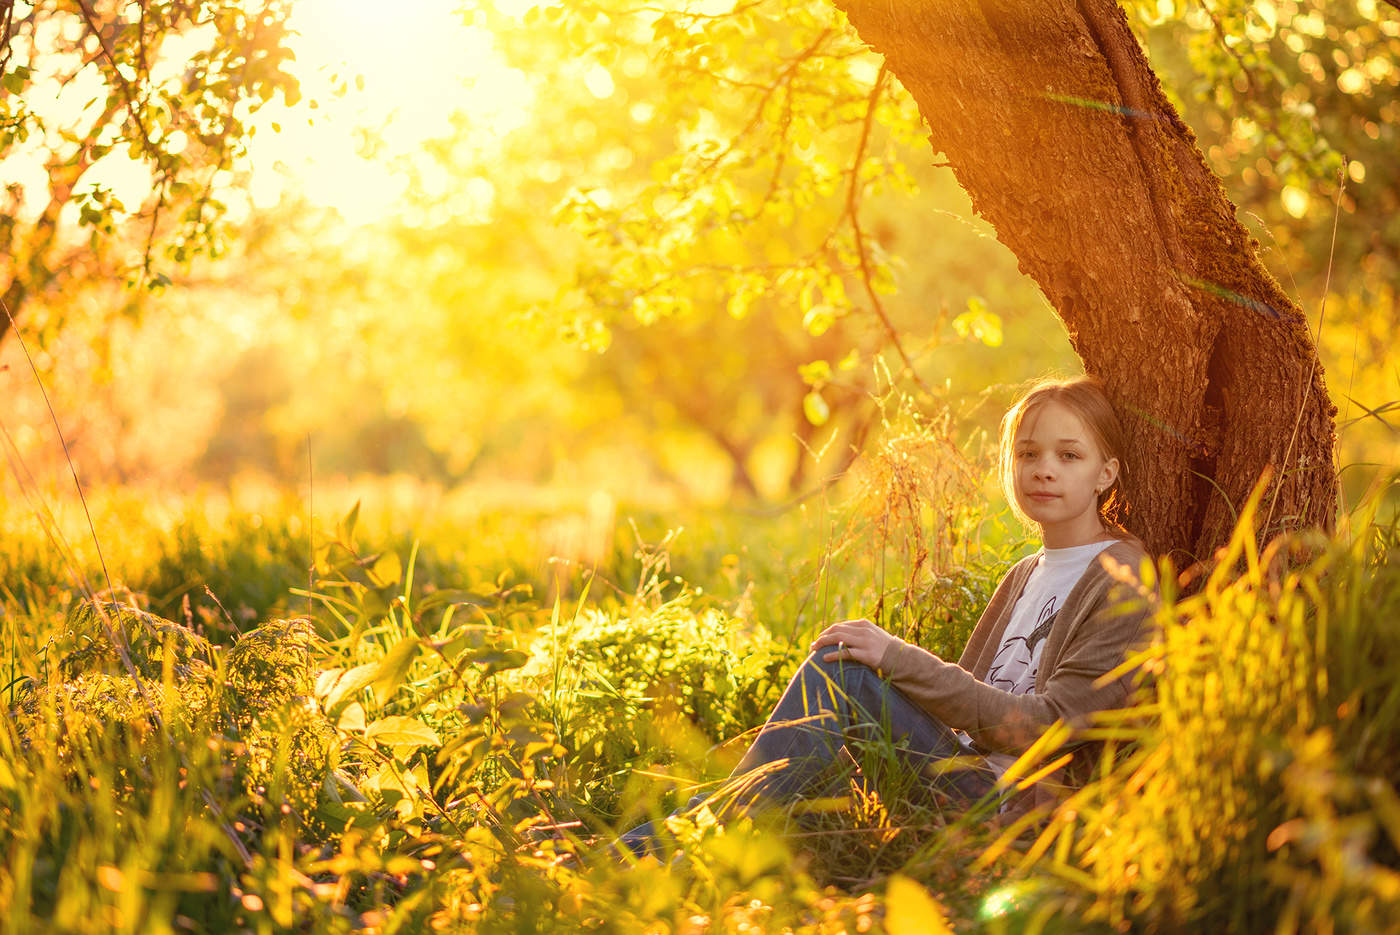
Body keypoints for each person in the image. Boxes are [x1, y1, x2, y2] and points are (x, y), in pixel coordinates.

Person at [614, 375, 1154, 858]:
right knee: (837, 672)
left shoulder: (1122, 575)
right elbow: (966, 707)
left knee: (842, 676)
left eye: (1069, 456)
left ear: (1106, 473)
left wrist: (898, 660)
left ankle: (654, 852)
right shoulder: (1026, 571)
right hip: (957, 774)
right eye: (1028, 454)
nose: (1043, 471)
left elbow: (1051, 725)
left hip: (1009, 817)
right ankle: (643, 848)